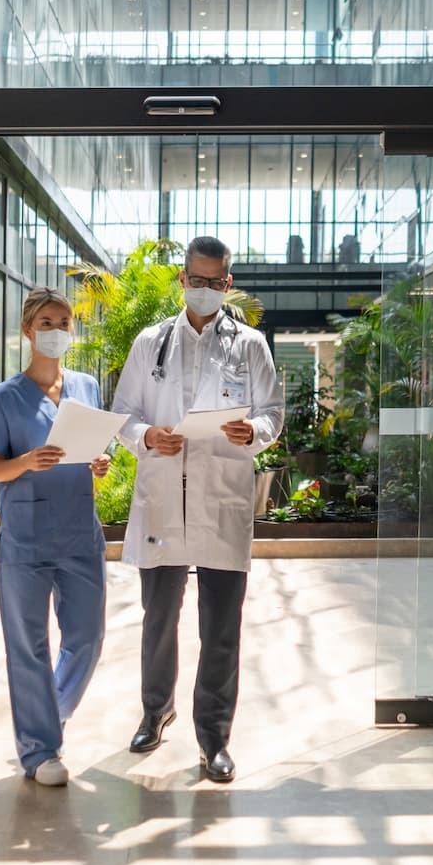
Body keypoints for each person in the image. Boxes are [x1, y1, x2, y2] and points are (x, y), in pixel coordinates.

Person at [111, 235, 285, 783]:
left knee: (221, 627)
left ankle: (214, 738)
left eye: (216, 282)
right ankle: (155, 709)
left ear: (227, 284)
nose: (205, 290)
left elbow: (273, 414)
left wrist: (251, 430)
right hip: (165, 497)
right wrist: (147, 438)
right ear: (182, 279)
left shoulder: (251, 344)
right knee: (159, 619)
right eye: (197, 280)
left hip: (221, 497)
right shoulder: (150, 342)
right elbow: (123, 413)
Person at [0, 287, 114, 787]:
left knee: (88, 638)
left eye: (65, 322)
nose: (58, 330)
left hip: (79, 532)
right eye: (47, 323)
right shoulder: (5, 397)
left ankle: (48, 713)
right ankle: (40, 751)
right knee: (28, 646)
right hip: (26, 539)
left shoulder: (87, 387)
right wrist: (28, 461)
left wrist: (100, 462)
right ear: (28, 331)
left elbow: (95, 449)